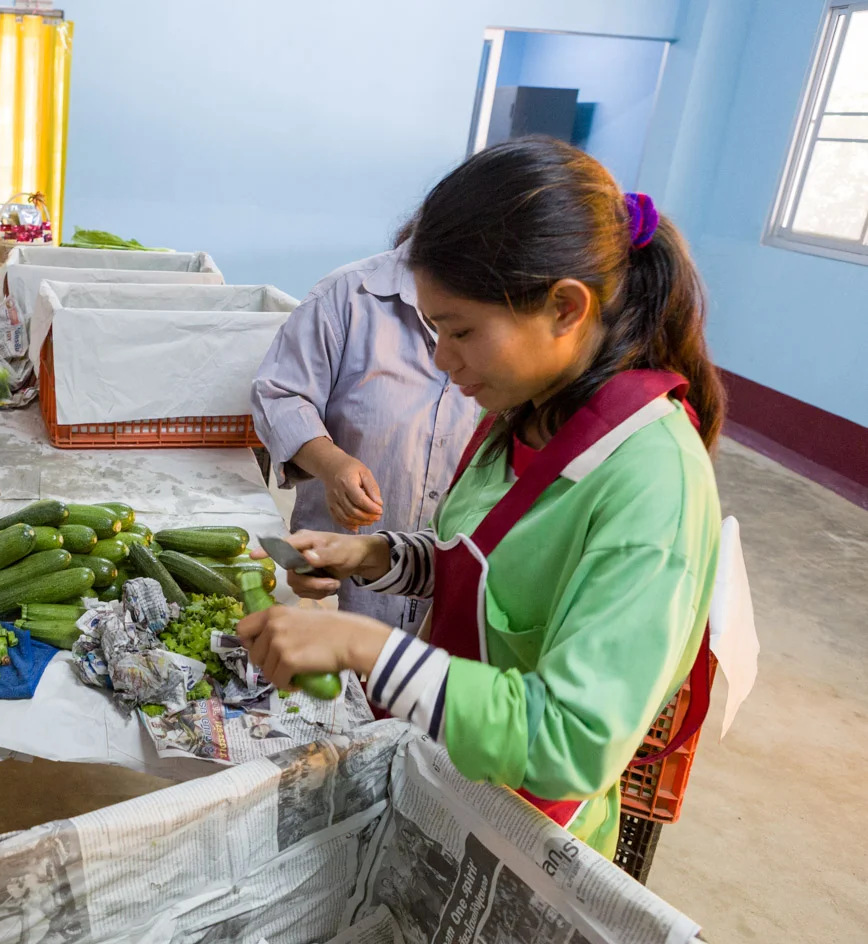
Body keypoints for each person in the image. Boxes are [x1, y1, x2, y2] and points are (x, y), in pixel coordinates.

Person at [239, 136, 724, 859]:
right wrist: (375, 557)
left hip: (526, 833)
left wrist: (365, 643)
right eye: (434, 330)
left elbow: (571, 740)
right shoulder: (526, 412)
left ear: (564, 308)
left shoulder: (652, 483)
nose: (440, 359)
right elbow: (482, 564)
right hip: (446, 772)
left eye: (460, 331)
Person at [251, 233, 480, 631]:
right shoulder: (349, 295)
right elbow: (279, 394)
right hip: (342, 583)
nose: (445, 359)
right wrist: (331, 463)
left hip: (447, 604)